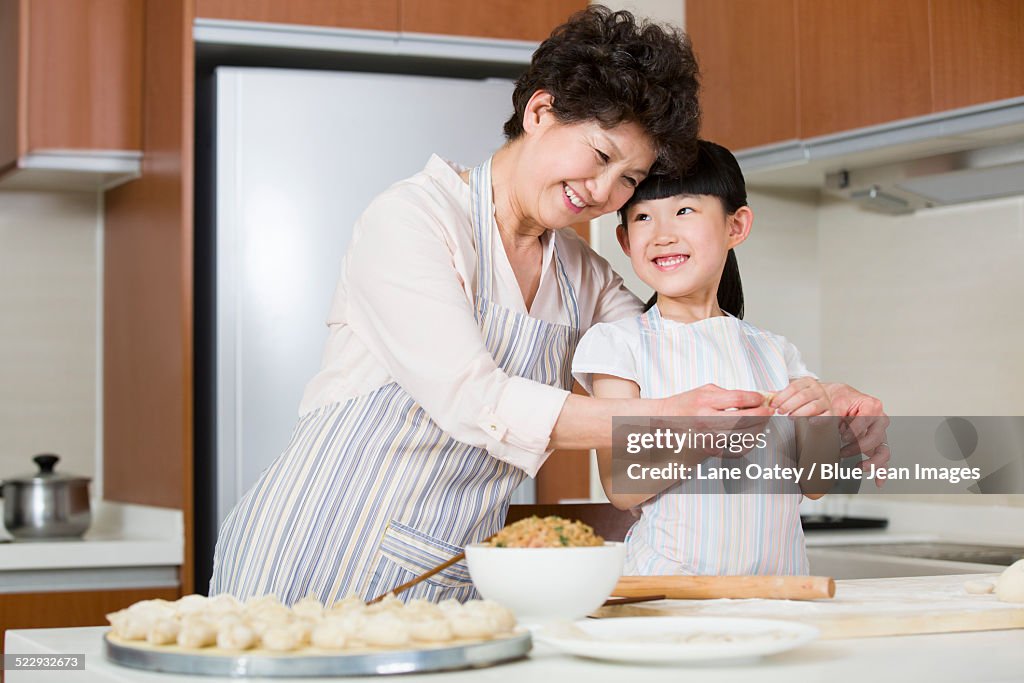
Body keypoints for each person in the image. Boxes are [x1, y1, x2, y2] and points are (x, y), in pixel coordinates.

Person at [210, 7, 886, 605]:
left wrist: (824, 403)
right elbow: (476, 399)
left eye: (626, 180)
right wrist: (651, 415)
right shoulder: (416, 220)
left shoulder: (581, 274)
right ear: (540, 112)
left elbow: (678, 347)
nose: (601, 191)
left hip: (448, 574)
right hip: (311, 551)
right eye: (598, 156)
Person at [572, 140, 883, 575]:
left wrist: (821, 422)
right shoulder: (618, 345)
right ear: (624, 238)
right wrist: (705, 436)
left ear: (735, 226)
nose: (662, 234)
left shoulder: (776, 351)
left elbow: (817, 485)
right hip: (670, 596)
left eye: (684, 211)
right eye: (643, 217)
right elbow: (622, 486)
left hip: (780, 597)